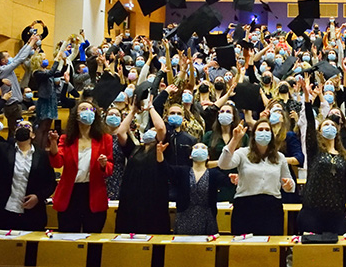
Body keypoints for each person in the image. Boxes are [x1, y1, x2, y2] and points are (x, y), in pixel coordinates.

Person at [298, 80, 346, 235]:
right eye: (326, 125)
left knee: (334, 254)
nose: (330, 127)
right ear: (319, 131)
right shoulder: (314, 150)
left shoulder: (343, 155)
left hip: (336, 213)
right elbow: (310, 123)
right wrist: (307, 98)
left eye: (333, 126)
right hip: (312, 212)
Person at [219, 119, 295, 235]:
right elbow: (223, 164)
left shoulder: (280, 157)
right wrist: (235, 140)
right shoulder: (243, 153)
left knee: (270, 248)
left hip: (271, 208)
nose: (263, 132)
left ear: (271, 134)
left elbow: (289, 183)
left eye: (267, 130)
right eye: (260, 129)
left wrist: (288, 185)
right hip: (245, 206)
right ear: (254, 135)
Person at [48, 100, 113, 233]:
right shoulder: (66, 139)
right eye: (83, 109)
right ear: (76, 115)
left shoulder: (105, 138)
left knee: (93, 237)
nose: (88, 112)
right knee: (68, 237)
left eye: (91, 110)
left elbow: (109, 169)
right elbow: (57, 163)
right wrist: (53, 143)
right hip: (70, 194)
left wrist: (104, 164)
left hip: (93, 192)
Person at [0, 120, 56, 231]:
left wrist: (38, 197)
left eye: (27, 126)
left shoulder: (42, 155)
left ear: (33, 135)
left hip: (33, 213)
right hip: (6, 211)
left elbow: (50, 183)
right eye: (20, 126)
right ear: (15, 133)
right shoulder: (2, 149)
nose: (23, 128)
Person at [114, 105, 168, 234]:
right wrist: (133, 111)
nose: (152, 131)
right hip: (131, 197)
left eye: (153, 130)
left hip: (153, 197)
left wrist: (150, 108)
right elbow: (121, 132)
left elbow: (160, 127)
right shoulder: (135, 149)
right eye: (149, 129)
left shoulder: (161, 148)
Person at [171, 143, 231, 235]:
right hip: (184, 217)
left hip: (207, 218)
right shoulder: (182, 171)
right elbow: (165, 170)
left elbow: (228, 182)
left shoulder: (214, 173)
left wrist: (232, 178)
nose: (199, 149)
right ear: (190, 156)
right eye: (195, 147)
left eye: (203, 147)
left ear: (208, 156)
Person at [0, 34, 39, 127]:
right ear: (3, 61)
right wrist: (32, 43)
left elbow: (18, 55)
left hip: (15, 105)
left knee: (15, 128)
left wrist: (27, 43)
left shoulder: (7, 68)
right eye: (8, 56)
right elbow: (20, 59)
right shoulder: (3, 70)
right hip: (12, 106)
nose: (11, 57)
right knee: (16, 128)